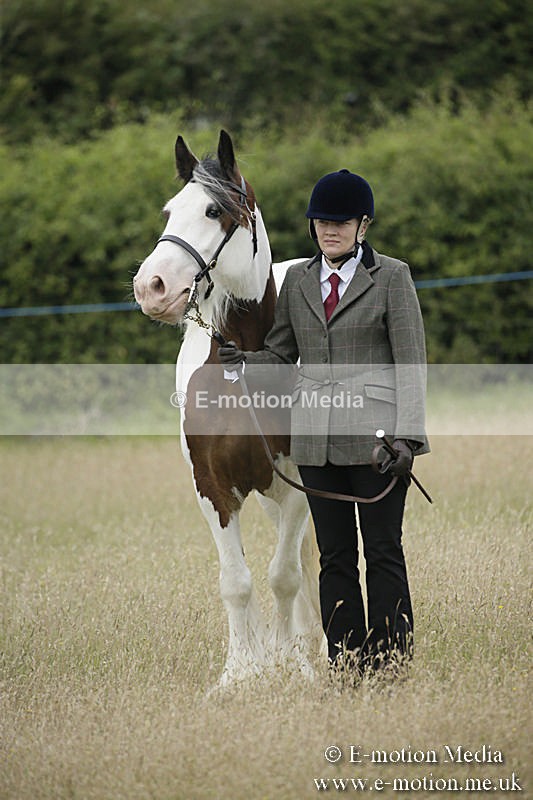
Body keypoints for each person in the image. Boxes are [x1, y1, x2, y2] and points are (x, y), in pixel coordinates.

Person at [218, 168, 429, 677]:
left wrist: (410, 439)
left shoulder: (393, 277)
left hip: (378, 443)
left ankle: (391, 667)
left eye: (340, 222)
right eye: (321, 222)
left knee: (382, 553)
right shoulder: (297, 281)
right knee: (334, 559)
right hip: (316, 444)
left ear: (363, 225)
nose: (329, 230)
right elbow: (281, 351)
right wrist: (243, 361)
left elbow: (411, 362)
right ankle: (347, 666)